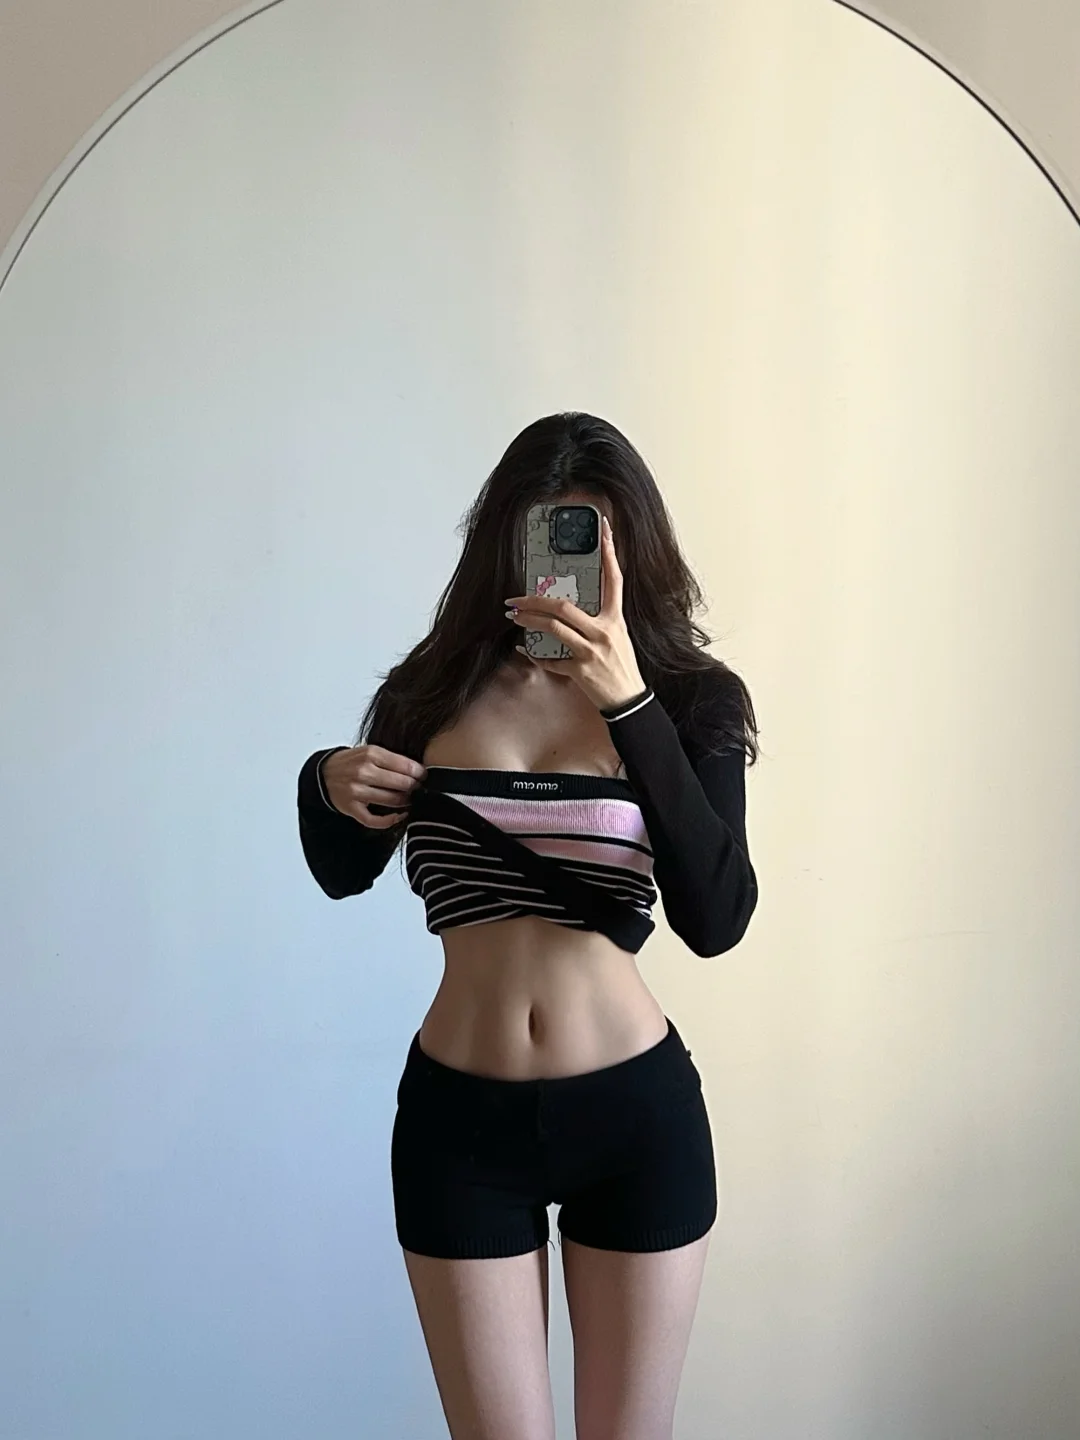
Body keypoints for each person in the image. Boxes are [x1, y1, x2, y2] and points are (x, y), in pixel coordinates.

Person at [296, 412, 759, 1440]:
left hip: (636, 1117)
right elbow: (342, 872)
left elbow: (718, 915)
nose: (564, 572)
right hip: (460, 1125)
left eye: (590, 541)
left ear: (632, 551)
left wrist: (629, 704)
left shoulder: (690, 702)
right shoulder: (428, 694)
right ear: (501, 544)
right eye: (543, 537)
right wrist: (325, 783)